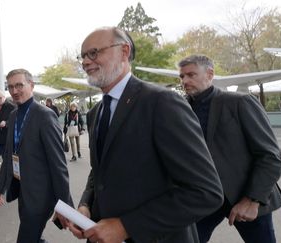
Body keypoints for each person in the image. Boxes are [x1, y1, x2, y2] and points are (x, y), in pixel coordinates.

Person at [68, 27, 223, 243]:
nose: (85, 62)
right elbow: (99, 173)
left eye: (93, 53)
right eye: (83, 56)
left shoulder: (162, 103)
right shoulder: (96, 113)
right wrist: (86, 205)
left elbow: (205, 192)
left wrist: (125, 226)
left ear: (124, 51)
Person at [178, 55, 281, 243]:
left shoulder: (240, 102)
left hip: (245, 195)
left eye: (191, 75)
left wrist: (252, 200)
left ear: (210, 74)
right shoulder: (180, 109)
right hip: (204, 198)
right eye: (182, 77)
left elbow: (270, 156)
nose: (185, 81)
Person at [0, 68, 73, 243]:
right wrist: (0, 186)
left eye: (19, 85)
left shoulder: (45, 115)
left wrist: (64, 205)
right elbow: (9, 155)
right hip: (22, 190)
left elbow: (58, 164)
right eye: (10, 87)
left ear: (32, 85)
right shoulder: (13, 115)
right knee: (34, 236)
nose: (14, 91)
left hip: (41, 195)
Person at [0, 90, 15, 162]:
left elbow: (16, 119)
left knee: (9, 159)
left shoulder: (11, 106)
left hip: (9, 137)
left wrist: (6, 123)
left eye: (0, 98)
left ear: (4, 97)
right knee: (4, 158)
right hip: (1, 138)